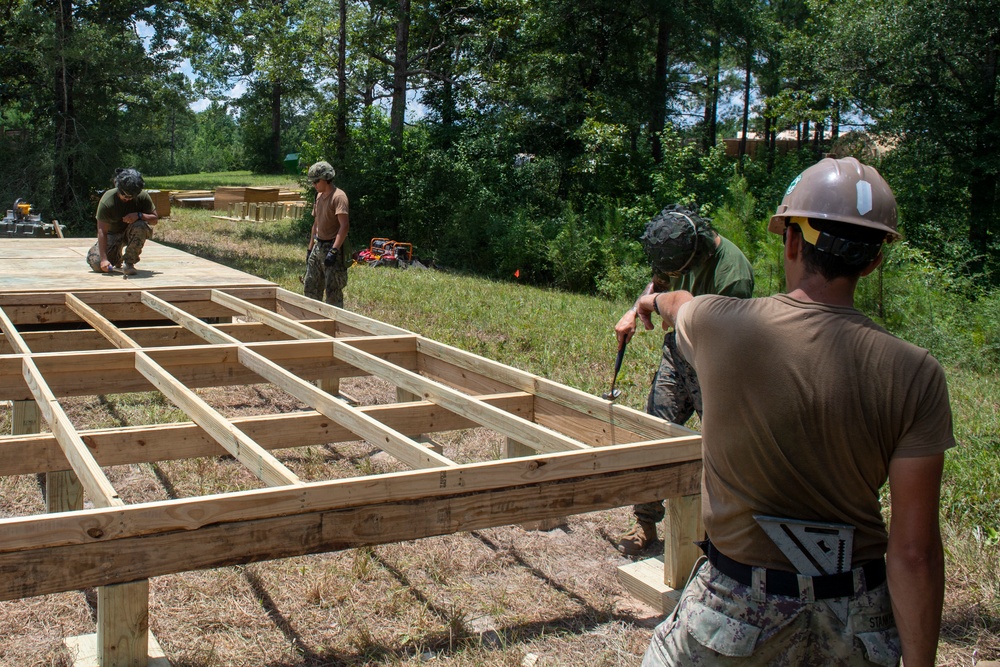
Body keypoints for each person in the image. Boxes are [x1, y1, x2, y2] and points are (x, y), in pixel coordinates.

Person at [639, 157, 954, 667]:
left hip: (736, 613)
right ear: (874, 260)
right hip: (857, 620)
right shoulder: (917, 373)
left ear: (790, 241)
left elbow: (677, 302)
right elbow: (915, 554)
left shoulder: (720, 325)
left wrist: (647, 305)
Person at [615, 205, 754, 555]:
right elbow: (658, 285)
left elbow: (718, 336)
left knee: (720, 448)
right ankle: (645, 522)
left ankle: (720, 538)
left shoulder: (732, 275)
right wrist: (634, 311)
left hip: (717, 365)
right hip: (679, 354)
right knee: (656, 432)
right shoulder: (675, 245)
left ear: (698, 251)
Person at [87, 168, 158, 275]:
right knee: (97, 264)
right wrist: (103, 259)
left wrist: (139, 215)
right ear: (118, 189)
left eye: (132, 197)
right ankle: (116, 256)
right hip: (113, 235)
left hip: (131, 232)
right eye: (125, 196)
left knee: (141, 226)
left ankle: (129, 262)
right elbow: (102, 231)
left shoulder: (142, 197)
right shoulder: (108, 200)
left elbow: (154, 220)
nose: (128, 199)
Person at [304, 160, 350, 308]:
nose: (314, 185)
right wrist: (310, 248)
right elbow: (315, 224)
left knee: (333, 291)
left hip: (332, 247)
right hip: (319, 245)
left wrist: (334, 251)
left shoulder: (339, 197)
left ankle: (334, 325)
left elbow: (344, 227)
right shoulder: (318, 196)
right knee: (310, 286)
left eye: (316, 181)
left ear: (326, 179)